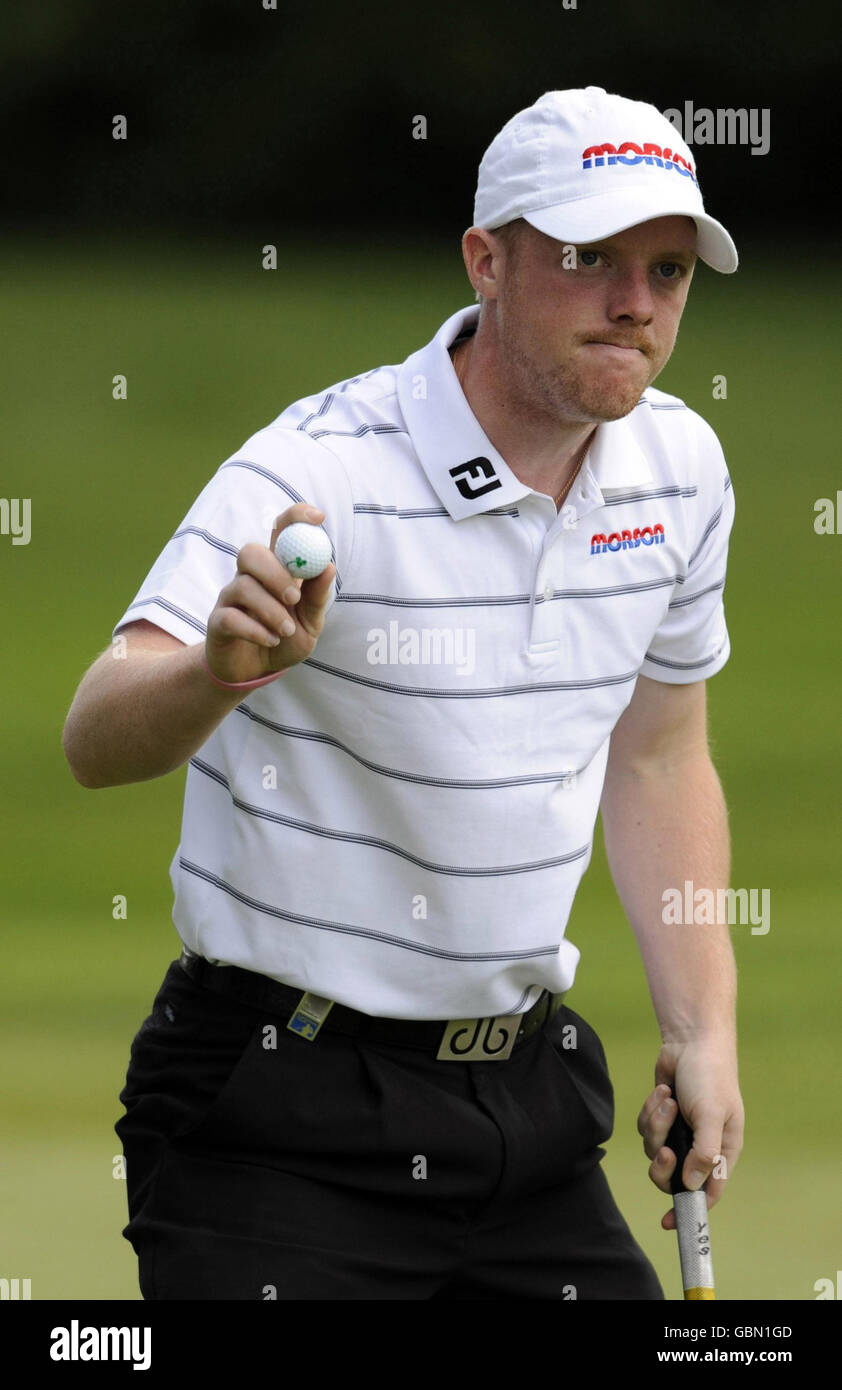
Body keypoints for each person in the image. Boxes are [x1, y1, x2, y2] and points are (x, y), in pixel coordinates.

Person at [62, 85, 745, 1300]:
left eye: (667, 269)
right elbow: (97, 737)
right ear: (486, 259)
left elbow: (657, 757)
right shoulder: (318, 467)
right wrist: (218, 675)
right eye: (588, 258)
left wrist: (700, 1027)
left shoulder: (678, 470)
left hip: (527, 1107)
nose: (634, 303)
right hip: (276, 1111)